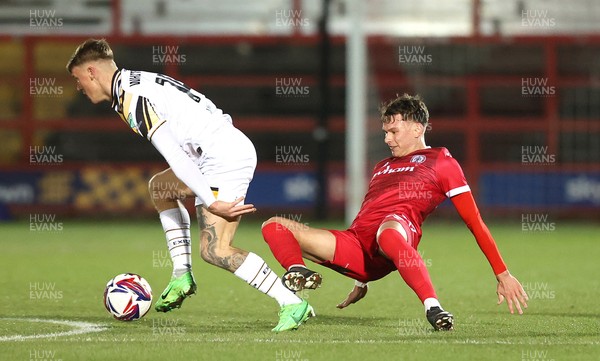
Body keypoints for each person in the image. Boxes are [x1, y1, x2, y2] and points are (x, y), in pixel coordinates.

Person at [66, 38, 314, 332]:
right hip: (216, 149)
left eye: (78, 79)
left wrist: (210, 200)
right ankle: (182, 274)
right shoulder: (135, 82)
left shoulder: (132, 96)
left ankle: (292, 302)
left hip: (222, 156)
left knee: (216, 250)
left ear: (92, 71)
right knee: (161, 188)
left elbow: (174, 154)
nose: (79, 87)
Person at [262, 94, 529, 331]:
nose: (387, 138)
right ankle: (298, 271)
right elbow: (367, 216)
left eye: (393, 131)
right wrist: (361, 281)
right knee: (274, 225)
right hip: (358, 244)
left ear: (416, 128)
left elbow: (475, 221)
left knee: (388, 230)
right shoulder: (382, 166)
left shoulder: (442, 161)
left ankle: (433, 307)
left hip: (396, 235)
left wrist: (502, 274)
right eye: (385, 132)